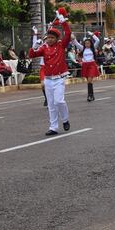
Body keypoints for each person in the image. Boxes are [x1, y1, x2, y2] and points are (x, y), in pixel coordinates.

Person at [28, 8, 71, 136]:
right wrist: (34, 45)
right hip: (48, 79)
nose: (50, 39)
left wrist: (63, 22)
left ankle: (65, 119)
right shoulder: (44, 48)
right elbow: (32, 55)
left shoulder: (61, 45)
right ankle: (53, 127)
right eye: (48, 38)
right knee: (51, 104)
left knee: (59, 101)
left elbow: (68, 34)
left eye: (52, 37)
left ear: (57, 38)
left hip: (59, 79)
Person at [73, 32, 101, 101]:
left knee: (89, 80)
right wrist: (73, 38)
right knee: (88, 81)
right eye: (86, 43)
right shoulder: (83, 48)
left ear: (91, 43)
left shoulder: (93, 48)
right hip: (85, 65)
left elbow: (98, 40)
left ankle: (89, 96)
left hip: (91, 64)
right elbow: (76, 43)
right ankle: (92, 95)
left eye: (88, 43)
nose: (87, 44)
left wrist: (92, 34)